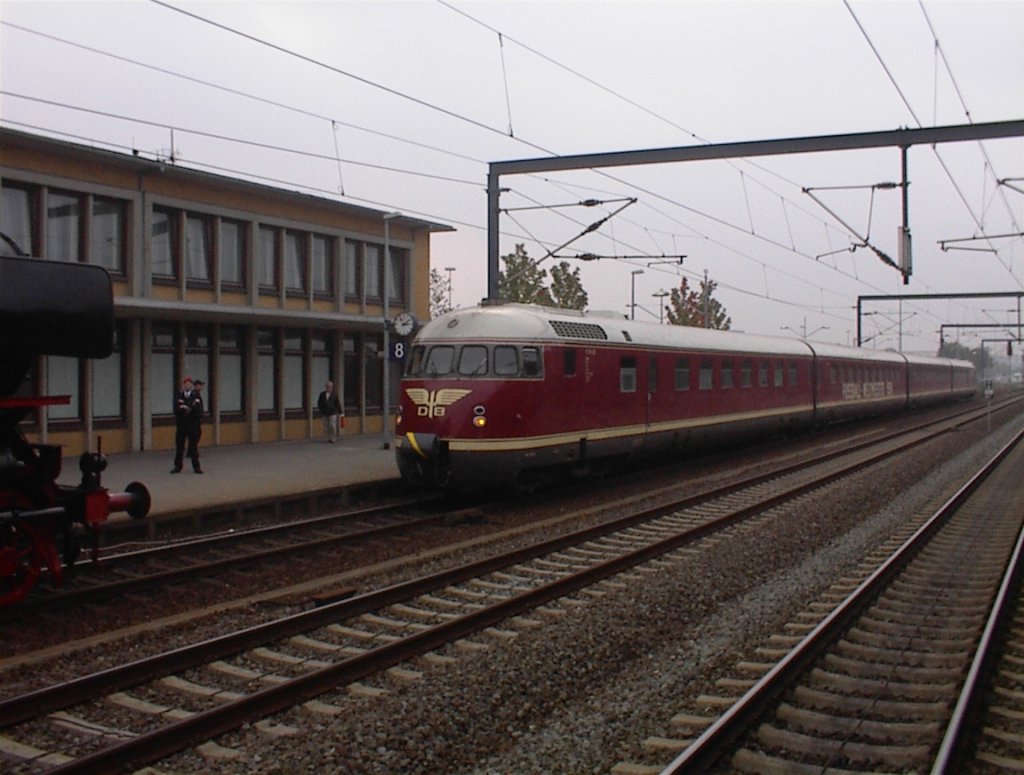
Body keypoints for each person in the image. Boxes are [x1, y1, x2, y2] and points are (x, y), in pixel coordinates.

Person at [171, 376, 205, 473]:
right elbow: (176, 407)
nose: (187, 386)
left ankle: (196, 467)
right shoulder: (179, 395)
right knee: (179, 446)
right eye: (186, 384)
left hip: (192, 424)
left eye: (189, 384)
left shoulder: (196, 396)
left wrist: (191, 409)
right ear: (183, 385)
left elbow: (199, 409)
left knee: (193, 446)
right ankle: (178, 466)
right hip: (181, 424)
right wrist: (183, 408)